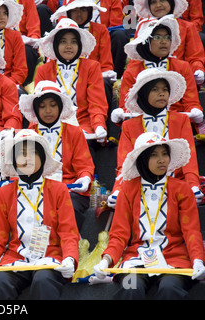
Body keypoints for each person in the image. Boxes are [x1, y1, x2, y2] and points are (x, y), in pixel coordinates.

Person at [94, 132, 205, 300]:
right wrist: (107, 259)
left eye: (164, 153)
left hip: (174, 259)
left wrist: (198, 259)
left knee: (170, 288)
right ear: (142, 159)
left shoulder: (182, 189)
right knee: (130, 287)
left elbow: (191, 231)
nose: (162, 160)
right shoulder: (127, 190)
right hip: (135, 259)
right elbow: (119, 234)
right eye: (154, 155)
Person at [0, 129, 80, 300]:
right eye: (21, 154)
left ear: (42, 158)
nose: (27, 158)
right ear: (14, 160)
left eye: (33, 153)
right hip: (16, 258)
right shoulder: (4, 193)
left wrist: (70, 258)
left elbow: (68, 233)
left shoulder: (59, 190)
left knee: (44, 280)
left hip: (49, 258)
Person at [107, 68, 203, 208]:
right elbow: (124, 164)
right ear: (143, 94)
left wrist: (193, 185)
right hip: (141, 184)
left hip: (176, 183)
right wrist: (118, 190)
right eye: (155, 90)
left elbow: (189, 158)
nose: (162, 93)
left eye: (165, 89)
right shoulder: (129, 126)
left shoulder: (181, 120)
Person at [19, 80, 94, 231]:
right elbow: (19, 167)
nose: (48, 111)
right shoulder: (28, 134)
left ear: (60, 107)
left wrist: (84, 178)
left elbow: (84, 164)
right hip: (35, 187)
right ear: (35, 108)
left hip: (68, 188)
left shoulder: (74, 132)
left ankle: (67, 246)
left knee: (70, 205)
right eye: (42, 106)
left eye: (53, 105)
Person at [113, 15, 203, 125]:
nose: (164, 42)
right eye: (157, 37)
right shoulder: (133, 70)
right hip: (141, 125)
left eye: (167, 37)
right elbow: (126, 107)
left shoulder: (182, 67)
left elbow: (191, 101)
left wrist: (194, 110)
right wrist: (120, 114)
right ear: (146, 42)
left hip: (177, 123)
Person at [35, 18, 108, 150]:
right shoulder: (43, 70)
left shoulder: (91, 67)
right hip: (51, 126)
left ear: (79, 45)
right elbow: (37, 106)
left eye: (73, 42)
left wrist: (98, 125)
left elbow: (97, 102)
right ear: (55, 45)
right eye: (63, 42)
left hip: (83, 125)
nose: (69, 46)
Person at [51, 0, 117, 114]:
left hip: (94, 75)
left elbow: (106, 64)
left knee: (104, 83)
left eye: (83, 10)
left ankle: (102, 124)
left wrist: (91, 75)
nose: (79, 14)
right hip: (66, 75)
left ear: (90, 11)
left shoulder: (100, 30)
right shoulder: (60, 31)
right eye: (75, 10)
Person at [133, 0, 205, 86]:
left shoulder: (187, 27)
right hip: (149, 80)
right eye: (153, 2)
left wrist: (197, 70)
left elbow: (195, 57)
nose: (158, 5)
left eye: (163, 0)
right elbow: (136, 57)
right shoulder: (144, 27)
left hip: (181, 78)